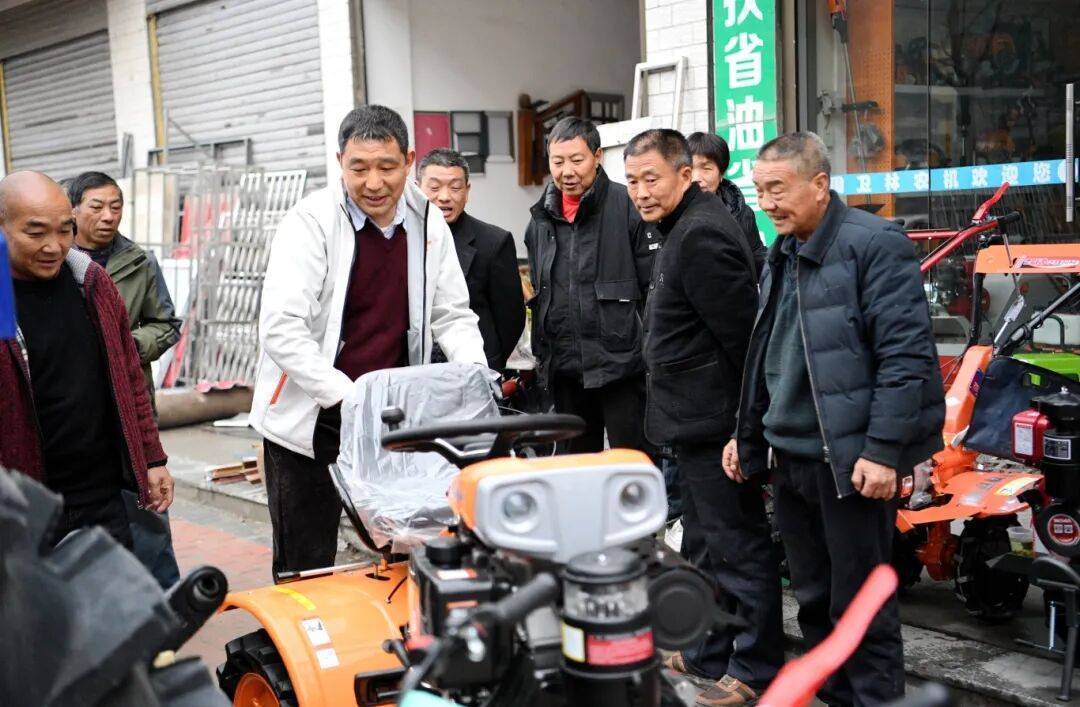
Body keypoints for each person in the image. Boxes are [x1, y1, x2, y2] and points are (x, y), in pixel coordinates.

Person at [724, 132, 945, 705]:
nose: (767, 203)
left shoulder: (874, 243)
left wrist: (883, 450)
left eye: (778, 189)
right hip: (791, 455)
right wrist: (746, 434)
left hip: (850, 459)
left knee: (860, 607)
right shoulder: (782, 251)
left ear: (820, 185)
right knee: (815, 601)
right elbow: (768, 351)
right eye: (759, 191)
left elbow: (906, 357)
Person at [248, 105, 486, 579]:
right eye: (358, 168)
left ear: (409, 161)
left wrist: (475, 375)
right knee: (306, 564)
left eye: (387, 167)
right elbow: (281, 328)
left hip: (391, 417)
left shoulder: (427, 221)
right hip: (313, 419)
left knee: (403, 549)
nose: (373, 183)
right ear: (340, 161)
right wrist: (348, 397)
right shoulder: (310, 221)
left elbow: (452, 313)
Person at [625, 129, 781, 706]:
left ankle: (755, 668)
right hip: (688, 423)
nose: (641, 192)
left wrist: (745, 429)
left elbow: (744, 340)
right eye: (632, 181)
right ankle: (708, 651)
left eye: (652, 178)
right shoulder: (678, 227)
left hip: (716, 426)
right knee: (704, 546)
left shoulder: (702, 233)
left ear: (685, 174)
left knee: (737, 546)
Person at [0, 171, 174, 549]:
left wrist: (151, 457)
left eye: (65, 230)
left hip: (101, 497)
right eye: (35, 233)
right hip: (23, 509)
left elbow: (130, 377)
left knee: (118, 586)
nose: (54, 246)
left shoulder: (90, 282)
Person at [68, 171, 183, 589]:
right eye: (96, 207)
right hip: (75, 410)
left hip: (129, 405)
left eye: (115, 207)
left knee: (147, 510)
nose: (108, 216)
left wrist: (126, 347)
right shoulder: (56, 262)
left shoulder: (139, 261)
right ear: (73, 210)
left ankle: (169, 606)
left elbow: (166, 324)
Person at [524, 116, 651, 455]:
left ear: (597, 157)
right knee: (576, 469)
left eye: (576, 160)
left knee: (632, 464)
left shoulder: (628, 206)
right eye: (558, 162)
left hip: (623, 368)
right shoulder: (539, 220)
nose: (567, 171)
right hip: (565, 371)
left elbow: (652, 289)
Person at [418, 148, 525, 370]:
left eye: (455, 187)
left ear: (467, 191)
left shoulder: (494, 242)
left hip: (476, 368)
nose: (444, 196)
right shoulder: (404, 238)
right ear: (418, 188)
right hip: (416, 368)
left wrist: (489, 365)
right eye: (434, 188)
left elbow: (511, 320)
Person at [686, 132, 765, 274]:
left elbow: (757, 258)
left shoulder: (741, 213)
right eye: (690, 169)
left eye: (706, 168)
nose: (696, 178)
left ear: (721, 174)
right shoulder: (665, 212)